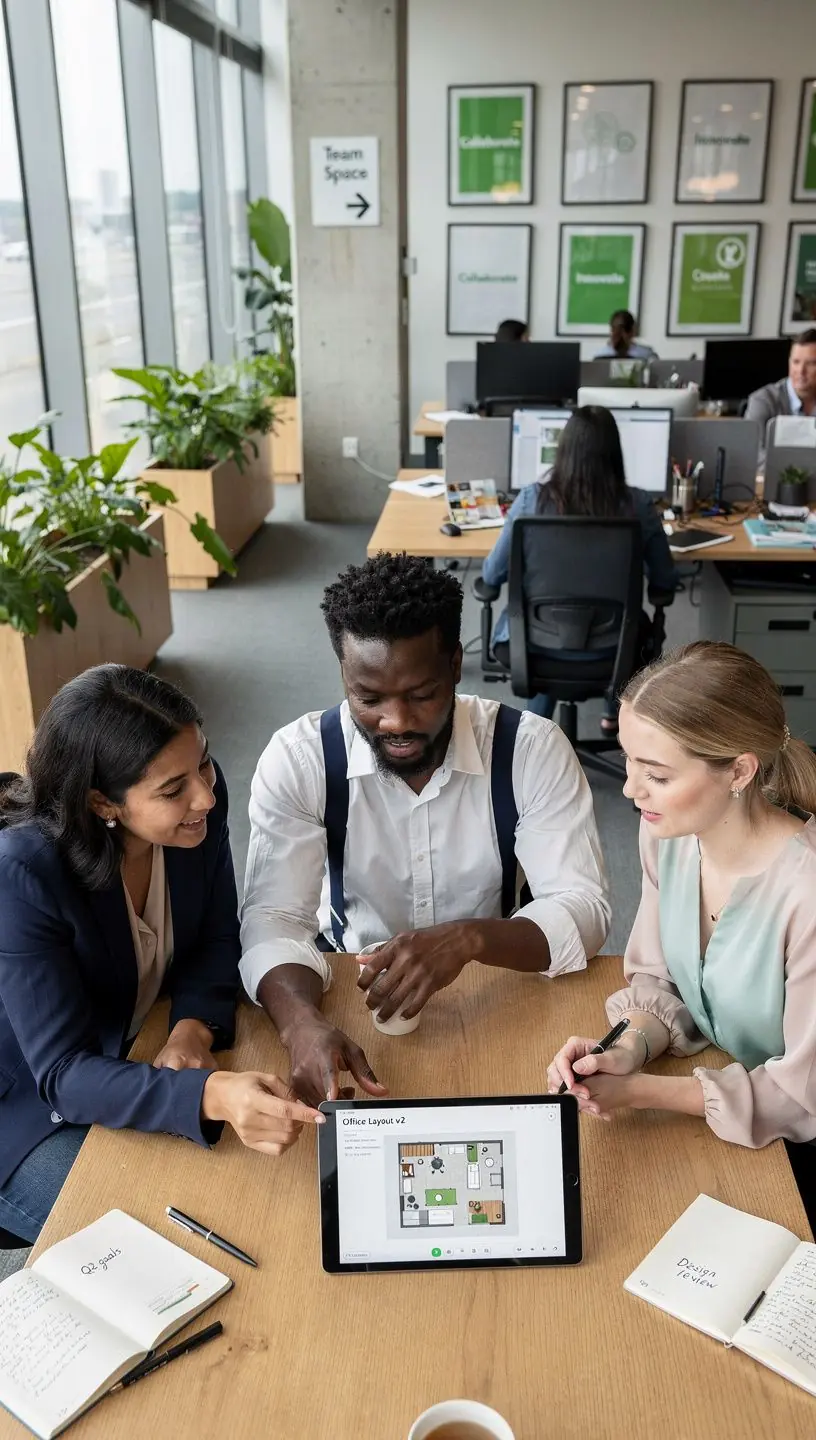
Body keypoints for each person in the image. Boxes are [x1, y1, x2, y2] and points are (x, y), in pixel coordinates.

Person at [240, 554, 610, 1107]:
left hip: (496, 987)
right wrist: (299, 1026)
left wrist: (470, 937)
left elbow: (584, 906)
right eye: (368, 698)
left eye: (421, 694)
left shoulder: (530, 749)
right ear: (343, 672)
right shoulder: (300, 759)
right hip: (345, 989)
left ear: (457, 665)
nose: (397, 721)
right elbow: (271, 918)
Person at [0, 665, 322, 1244]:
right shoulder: (23, 874)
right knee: (167, 1243)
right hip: (24, 1106)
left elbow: (219, 934)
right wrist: (209, 1094)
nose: (206, 792)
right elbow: (64, 1074)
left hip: (129, 1047)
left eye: (202, 761)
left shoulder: (194, 813)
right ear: (104, 802)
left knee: (247, 1207)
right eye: (173, 789)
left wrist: (192, 1028)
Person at [547, 641, 816, 1160]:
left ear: (739, 772)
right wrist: (627, 1048)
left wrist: (641, 1091)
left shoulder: (805, 895)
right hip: (734, 1120)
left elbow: (802, 1094)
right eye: (628, 761)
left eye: (658, 775)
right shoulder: (667, 838)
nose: (629, 790)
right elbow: (662, 978)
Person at [481, 406, 677, 726]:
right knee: (619, 626)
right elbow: (664, 580)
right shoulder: (639, 505)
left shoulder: (531, 500)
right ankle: (613, 713)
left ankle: (532, 736)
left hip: (535, 645)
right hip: (614, 649)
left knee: (543, 626)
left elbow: (491, 575)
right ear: (615, 453)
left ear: (563, 451)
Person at [745, 329, 816, 466]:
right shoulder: (763, 400)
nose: (800, 371)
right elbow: (753, 453)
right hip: (776, 482)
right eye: (796, 362)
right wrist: (796, 474)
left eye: (811, 364)